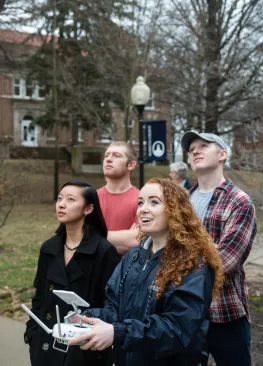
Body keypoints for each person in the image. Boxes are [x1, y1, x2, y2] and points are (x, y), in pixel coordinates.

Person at [70, 178, 224, 366]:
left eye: (154, 202)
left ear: (175, 210)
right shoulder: (133, 257)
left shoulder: (192, 264)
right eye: (140, 202)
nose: (143, 208)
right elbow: (114, 308)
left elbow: (176, 330)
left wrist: (117, 332)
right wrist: (88, 320)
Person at [181, 131, 257, 366]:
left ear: (222, 154)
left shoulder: (239, 201)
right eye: (192, 148)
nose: (195, 150)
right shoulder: (181, 201)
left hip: (225, 312)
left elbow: (225, 261)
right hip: (184, 312)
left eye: (204, 145)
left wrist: (183, 254)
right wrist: (208, 248)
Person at [24, 180, 120, 366]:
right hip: (45, 345)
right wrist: (32, 334)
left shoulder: (104, 251)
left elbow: (112, 304)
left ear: (88, 208)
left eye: (70, 199)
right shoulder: (49, 248)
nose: (61, 204)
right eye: (59, 199)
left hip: (84, 349)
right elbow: (39, 297)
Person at [97, 141, 140, 254]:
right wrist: (123, 237)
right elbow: (76, 239)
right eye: (107, 155)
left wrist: (93, 236)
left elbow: (136, 241)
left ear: (131, 165)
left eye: (117, 155)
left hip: (125, 270)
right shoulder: (91, 198)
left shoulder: (142, 200)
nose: (109, 159)